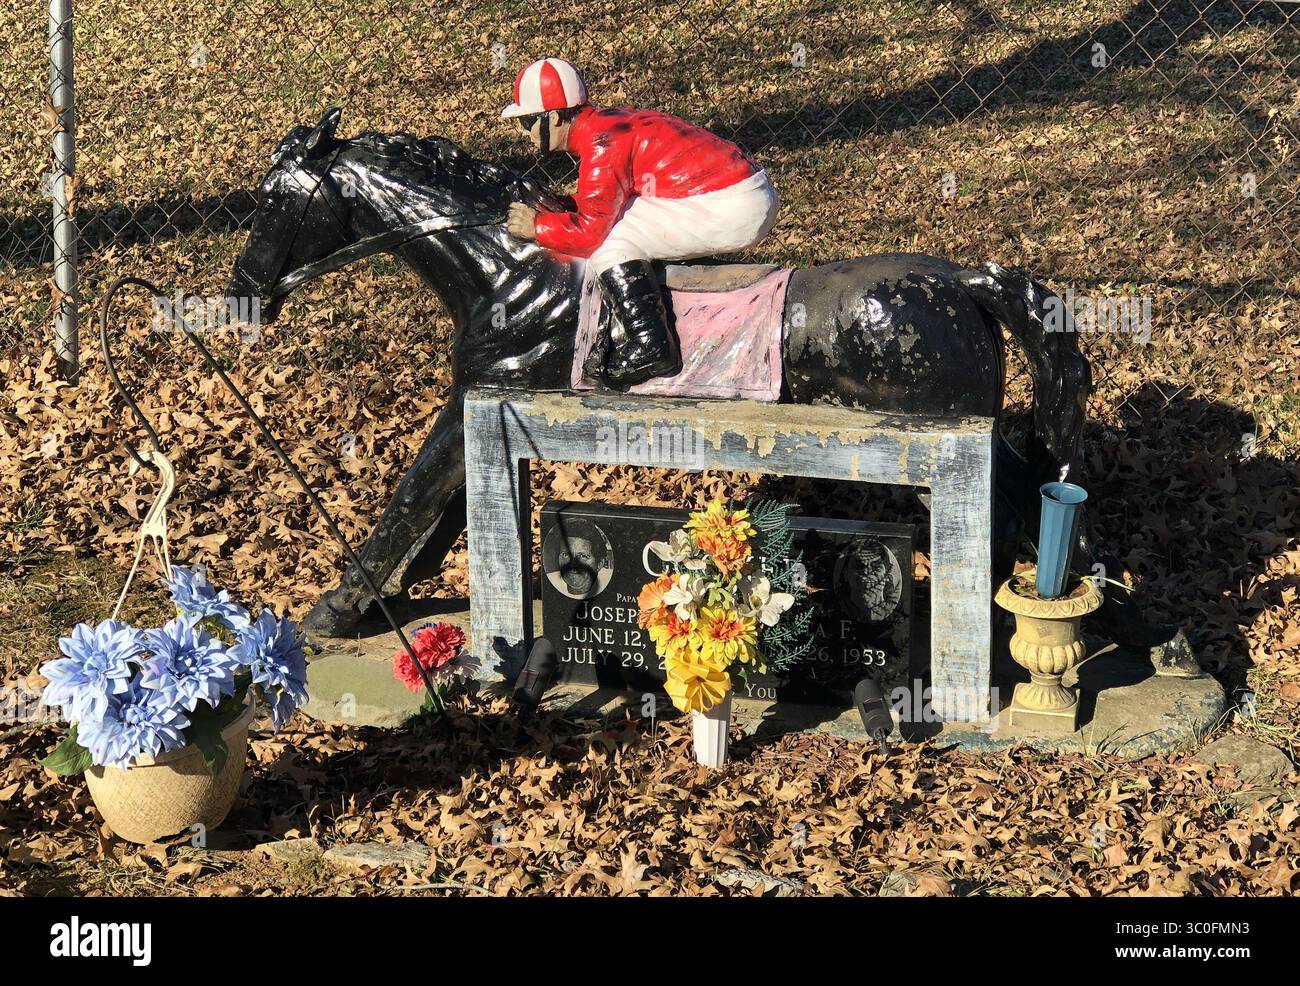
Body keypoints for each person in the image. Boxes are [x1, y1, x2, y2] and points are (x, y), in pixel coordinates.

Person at [502, 56, 779, 388]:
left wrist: (539, 228)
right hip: (740, 188)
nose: (525, 134)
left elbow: (589, 234)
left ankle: (650, 346)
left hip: (732, 203)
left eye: (526, 123)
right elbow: (607, 199)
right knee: (621, 221)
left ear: (553, 117)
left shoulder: (602, 145)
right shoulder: (605, 124)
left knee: (611, 241)